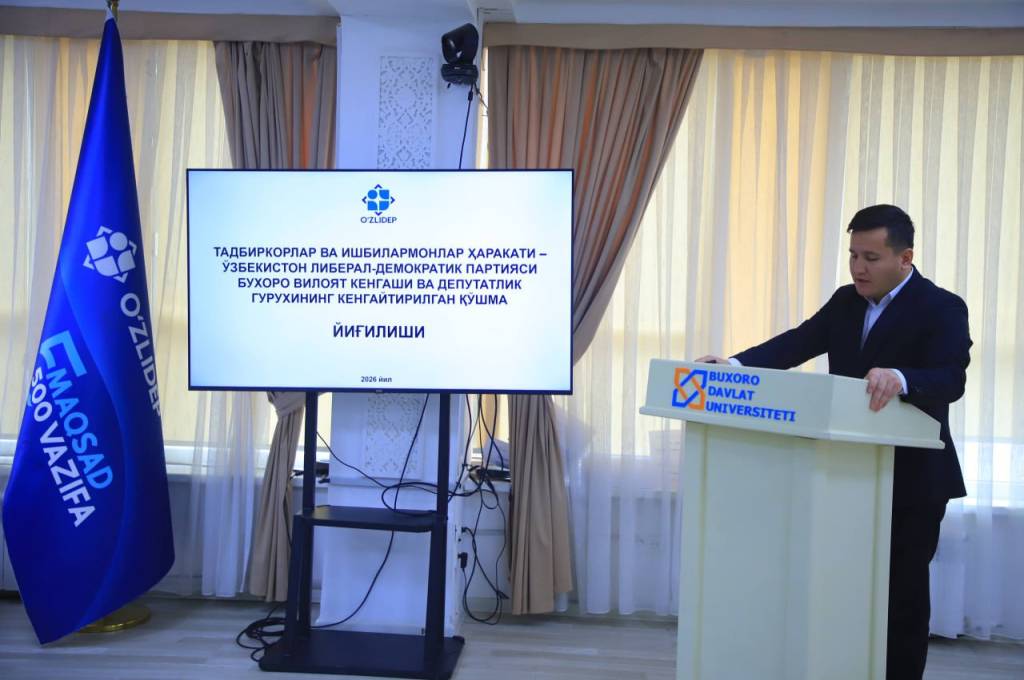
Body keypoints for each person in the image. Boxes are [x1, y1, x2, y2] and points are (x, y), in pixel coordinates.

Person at [697, 204, 971, 680]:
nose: (858, 268)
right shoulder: (847, 301)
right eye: (853, 256)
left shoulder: (942, 306)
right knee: (842, 587)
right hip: (844, 471)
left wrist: (902, 378)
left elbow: (951, 378)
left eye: (871, 258)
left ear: (905, 257)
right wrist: (734, 367)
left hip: (912, 478)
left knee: (902, 594)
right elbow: (797, 342)